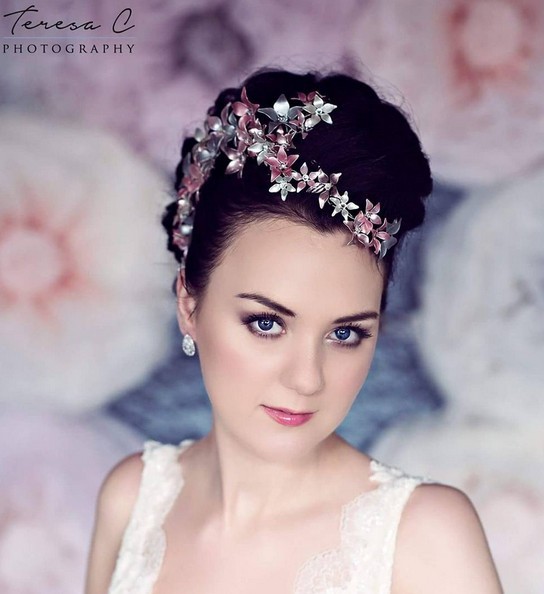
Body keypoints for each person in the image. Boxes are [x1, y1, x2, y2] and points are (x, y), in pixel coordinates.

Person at [84, 67, 504, 594]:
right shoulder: (133, 499)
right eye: (267, 323)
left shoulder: (424, 536)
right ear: (190, 306)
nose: (307, 379)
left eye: (345, 334)